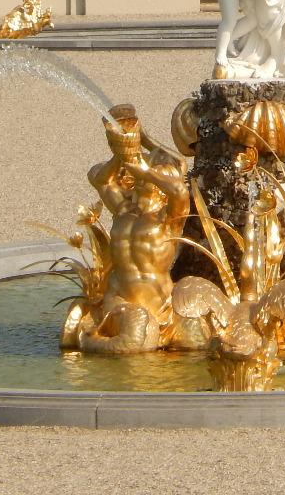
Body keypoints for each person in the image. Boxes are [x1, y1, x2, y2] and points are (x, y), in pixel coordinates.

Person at [60, 107, 190, 355]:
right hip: (117, 301)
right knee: (129, 346)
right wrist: (121, 155)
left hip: (156, 304)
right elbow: (99, 179)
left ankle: (97, 340)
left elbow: (180, 192)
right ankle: (98, 337)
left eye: (155, 178)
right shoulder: (122, 210)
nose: (141, 180)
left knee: (139, 345)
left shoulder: (169, 219)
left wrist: (148, 171)